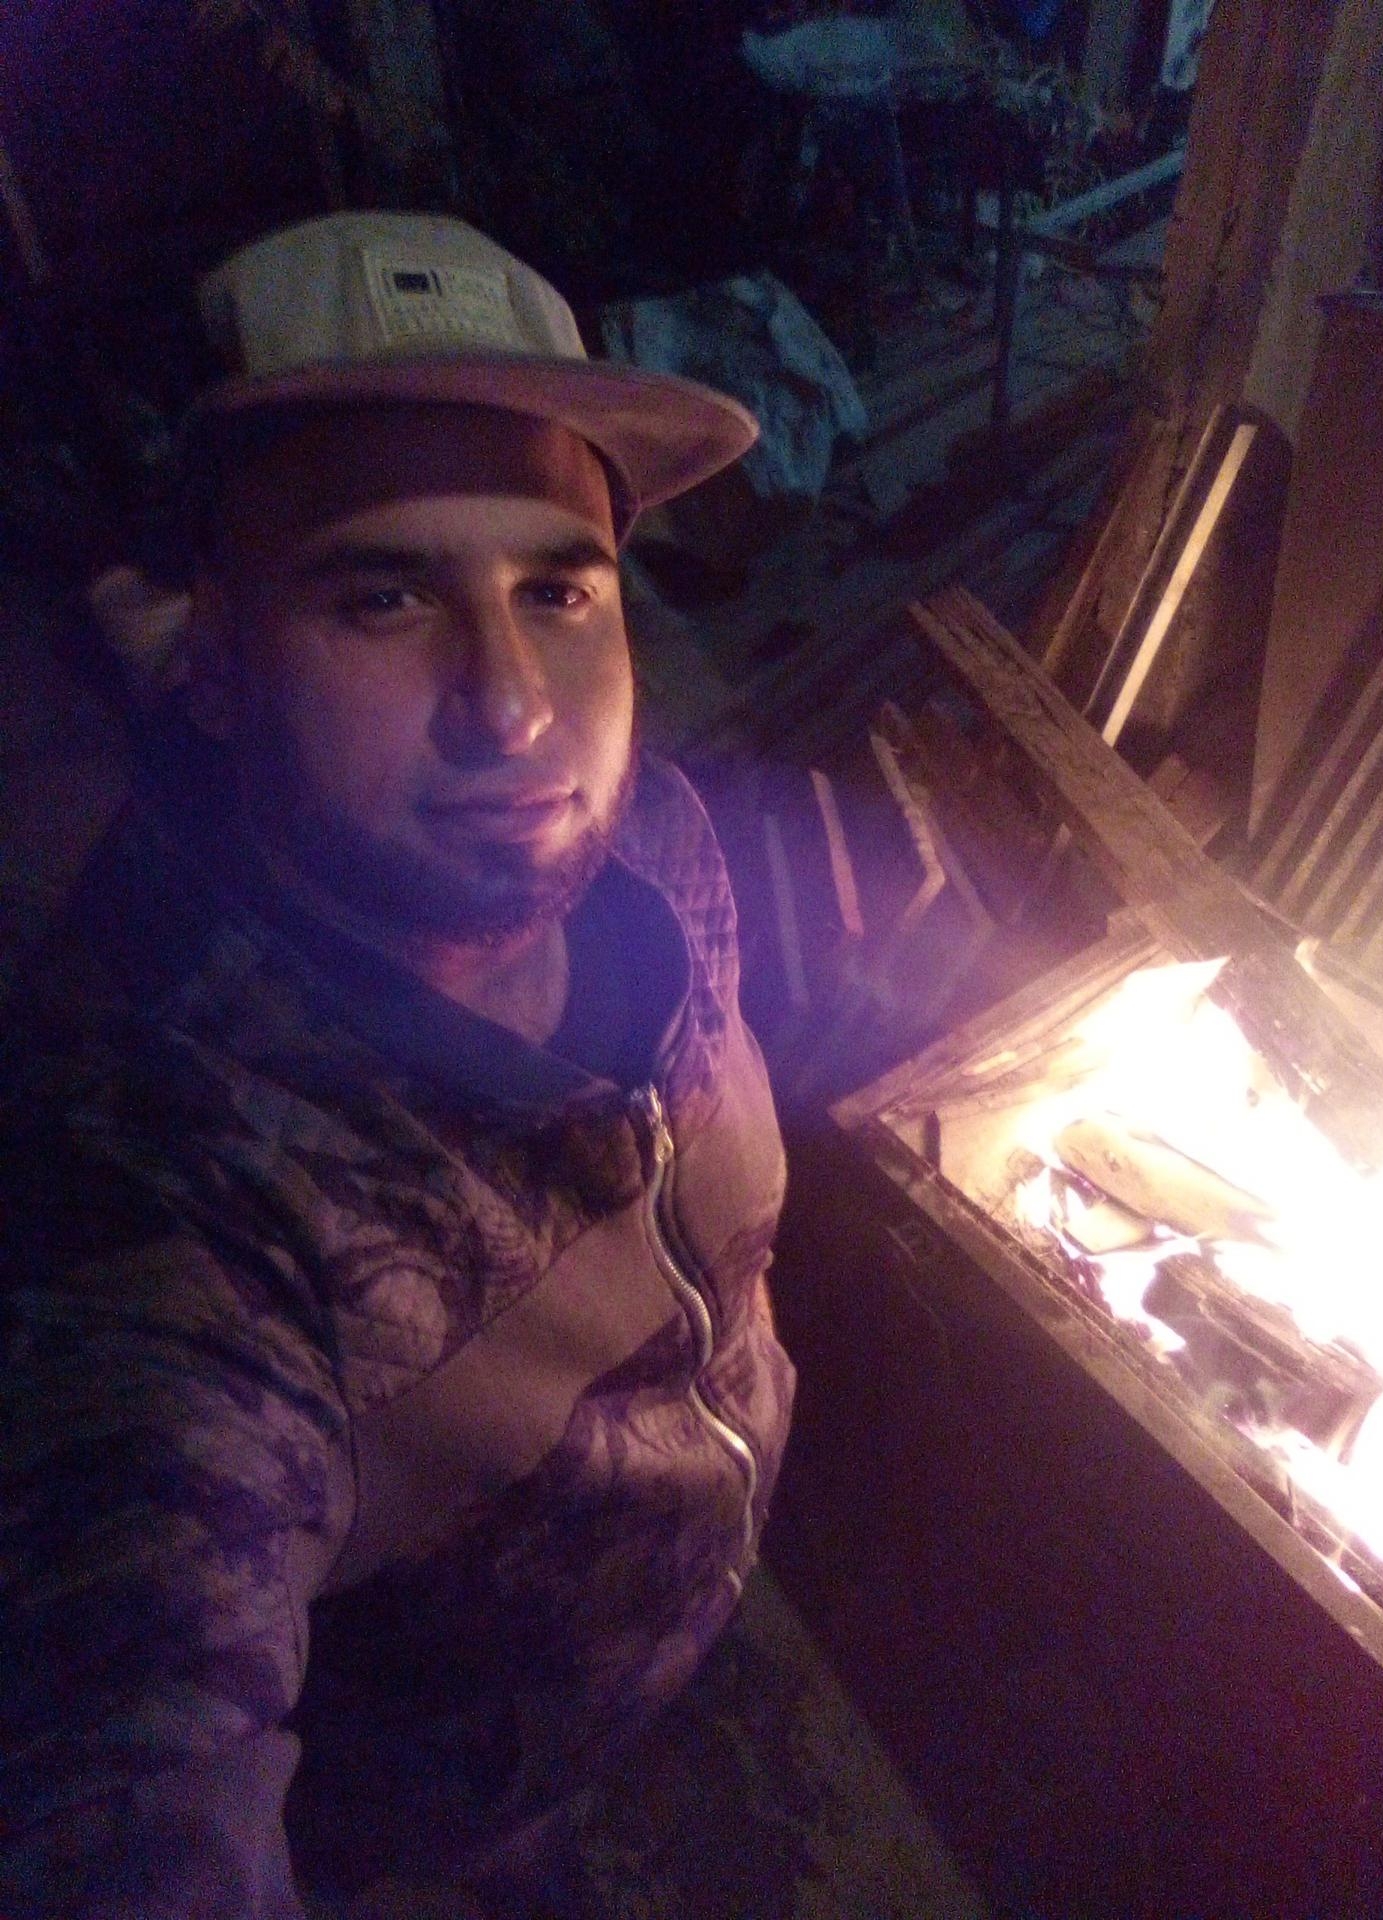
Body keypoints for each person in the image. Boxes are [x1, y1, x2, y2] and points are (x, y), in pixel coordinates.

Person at [0, 211, 796, 1916]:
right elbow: (121, 1747)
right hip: (416, 1812)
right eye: (382, 596)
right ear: (214, 661)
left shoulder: (649, 841)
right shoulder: (163, 1197)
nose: (512, 710)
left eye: (556, 590)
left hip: (649, 1650)